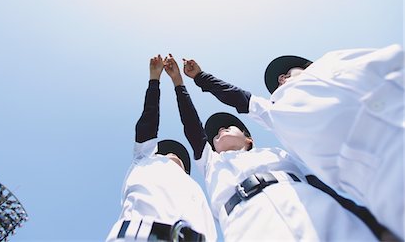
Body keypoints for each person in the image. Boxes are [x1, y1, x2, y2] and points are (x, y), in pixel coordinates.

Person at [182, 44, 404, 239]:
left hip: (313, 207)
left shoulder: (281, 150)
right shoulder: (275, 113)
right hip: (247, 222)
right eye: (280, 80)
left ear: (249, 138)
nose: (282, 78)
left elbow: (320, 185)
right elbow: (230, 100)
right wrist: (193, 79)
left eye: (289, 71)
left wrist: (374, 227)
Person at [106, 55, 217, 242]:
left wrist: (179, 82)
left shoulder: (196, 185)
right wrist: (155, 79)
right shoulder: (144, 159)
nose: (170, 154)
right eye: (164, 153)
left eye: (178, 156)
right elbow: (149, 118)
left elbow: (192, 125)